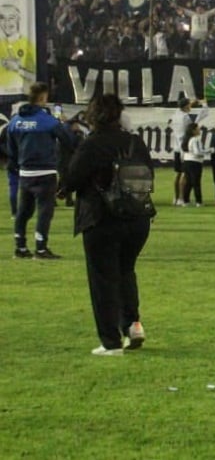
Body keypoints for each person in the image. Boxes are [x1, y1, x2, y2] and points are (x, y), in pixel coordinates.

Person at [61, 94, 153, 356]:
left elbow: (72, 179)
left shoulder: (92, 144)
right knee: (126, 272)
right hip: (137, 218)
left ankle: (110, 342)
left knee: (103, 280)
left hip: (102, 217)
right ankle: (132, 324)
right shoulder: (135, 142)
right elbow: (149, 174)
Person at [6, 82, 75, 259]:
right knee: (45, 211)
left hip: (25, 173)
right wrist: (65, 124)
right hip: (45, 173)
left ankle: (20, 247)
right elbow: (69, 141)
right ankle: (41, 248)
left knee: (24, 211)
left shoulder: (16, 121)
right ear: (43, 97)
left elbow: (10, 148)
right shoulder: (48, 121)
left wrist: (16, 164)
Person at [170, 98, 197, 207]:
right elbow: (190, 129)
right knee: (185, 174)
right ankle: (182, 198)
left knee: (178, 173)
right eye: (189, 105)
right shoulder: (185, 117)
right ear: (186, 106)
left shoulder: (176, 114)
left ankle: (176, 197)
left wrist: (193, 104)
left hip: (176, 147)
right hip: (183, 148)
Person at [181, 123, 208, 207]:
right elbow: (197, 152)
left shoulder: (187, 139)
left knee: (189, 182)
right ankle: (198, 201)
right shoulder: (196, 139)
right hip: (195, 162)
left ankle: (186, 201)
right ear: (193, 131)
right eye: (198, 128)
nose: (199, 130)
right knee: (196, 182)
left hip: (187, 161)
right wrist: (209, 151)